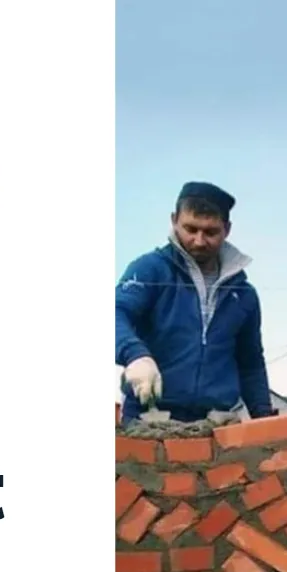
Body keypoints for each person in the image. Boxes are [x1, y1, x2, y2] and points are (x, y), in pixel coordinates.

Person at [115, 181, 273, 425]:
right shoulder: (150, 270)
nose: (199, 241)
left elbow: (250, 364)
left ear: (227, 229)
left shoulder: (243, 294)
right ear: (174, 220)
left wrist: (264, 418)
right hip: (150, 421)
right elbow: (116, 313)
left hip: (218, 424)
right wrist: (135, 355)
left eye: (210, 232)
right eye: (190, 229)